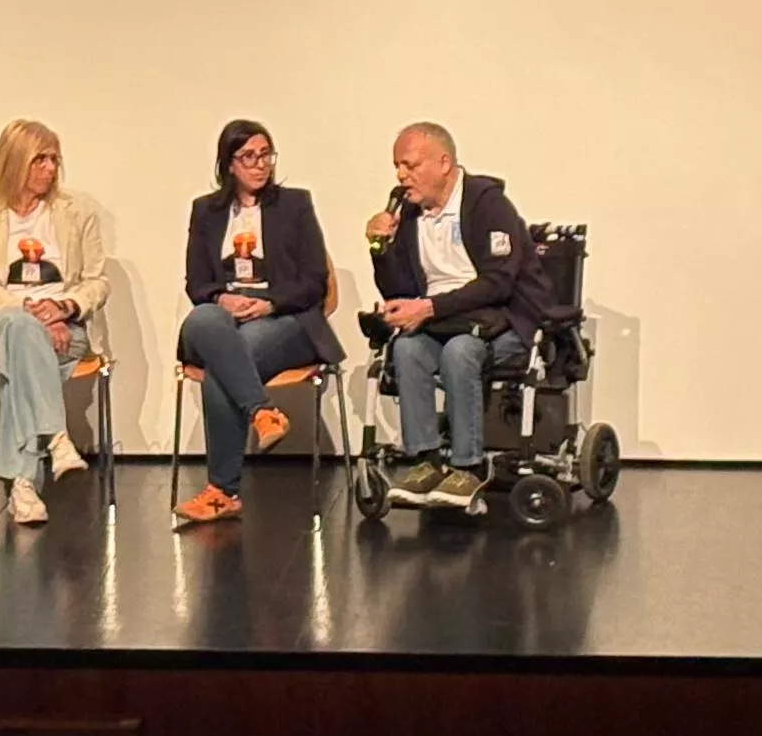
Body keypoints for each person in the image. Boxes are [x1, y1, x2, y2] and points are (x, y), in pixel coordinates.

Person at [175, 119, 343, 526]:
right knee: (204, 319)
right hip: (223, 318)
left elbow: (314, 283)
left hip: (284, 318)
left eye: (265, 154)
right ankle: (262, 410)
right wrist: (221, 298)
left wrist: (267, 305)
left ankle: (223, 491)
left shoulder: (295, 205)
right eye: (248, 156)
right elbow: (197, 283)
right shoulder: (206, 211)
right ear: (229, 163)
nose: (259, 164)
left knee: (224, 362)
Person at [363, 121, 537, 509]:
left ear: (444, 163)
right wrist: (380, 247)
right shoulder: (408, 213)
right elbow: (399, 290)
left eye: (410, 165)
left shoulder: (487, 204)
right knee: (407, 350)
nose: (400, 175)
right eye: (397, 166)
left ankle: (468, 467)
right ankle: (426, 460)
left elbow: (499, 282)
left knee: (460, 351)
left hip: (501, 319)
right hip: (441, 319)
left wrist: (429, 307)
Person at [0, 117, 110, 527]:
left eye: (54, 160)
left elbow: (98, 281)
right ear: (14, 162)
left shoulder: (76, 212)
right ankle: (56, 438)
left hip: (66, 328)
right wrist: (29, 312)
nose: (49, 169)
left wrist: (64, 308)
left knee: (20, 368)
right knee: (22, 334)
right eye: (39, 160)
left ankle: (23, 486)